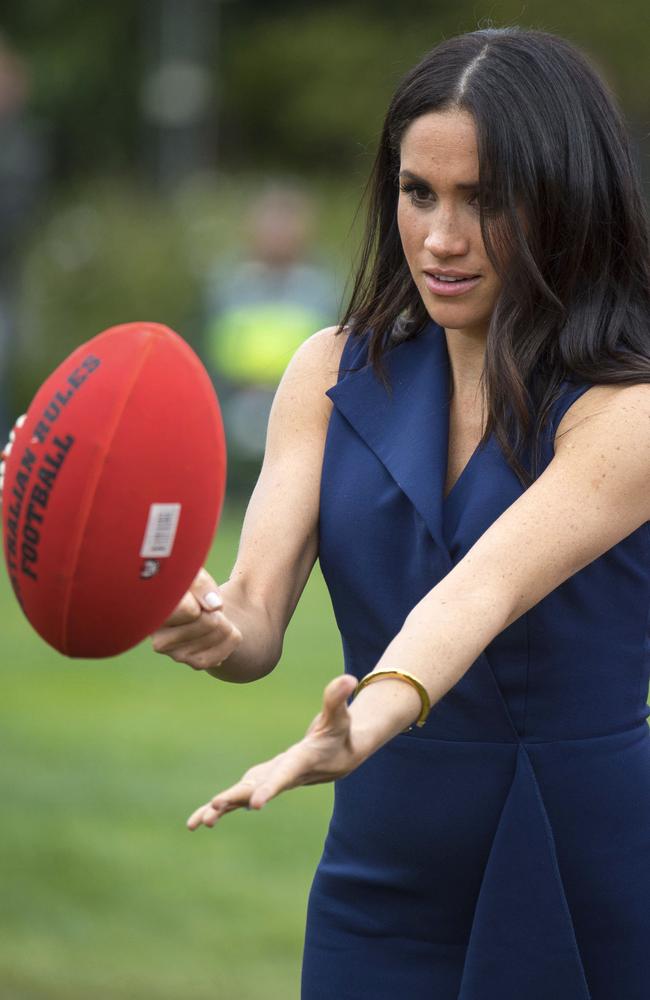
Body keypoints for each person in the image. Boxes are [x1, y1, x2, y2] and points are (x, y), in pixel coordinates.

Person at [151, 26, 650, 1000]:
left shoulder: (624, 410)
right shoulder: (328, 370)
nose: (439, 236)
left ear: (565, 204)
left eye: (484, 199)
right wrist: (180, 602)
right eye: (417, 191)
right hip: (380, 867)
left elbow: (477, 589)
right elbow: (252, 620)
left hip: (574, 855)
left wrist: (369, 714)